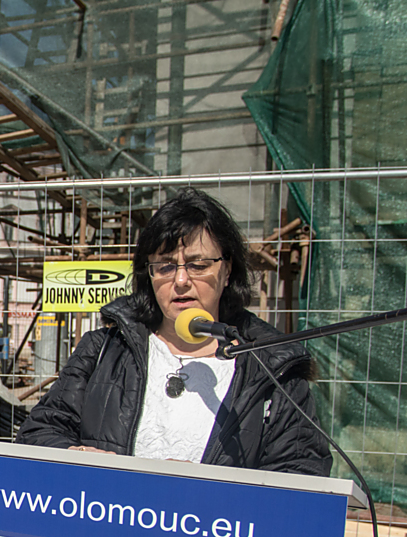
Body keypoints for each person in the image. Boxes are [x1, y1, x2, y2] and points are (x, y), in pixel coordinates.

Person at [17, 187, 332, 476]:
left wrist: (206, 488)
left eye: (198, 265)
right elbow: (38, 433)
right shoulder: (103, 350)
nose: (180, 281)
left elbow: (302, 471)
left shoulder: (272, 367)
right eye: (166, 266)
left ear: (227, 270)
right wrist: (74, 455)